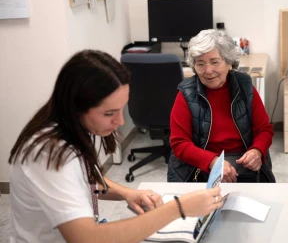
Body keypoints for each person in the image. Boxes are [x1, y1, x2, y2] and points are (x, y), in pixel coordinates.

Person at [8, 50, 223, 243]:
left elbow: (85, 179)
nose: (120, 121)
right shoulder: (49, 154)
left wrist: (126, 193)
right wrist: (178, 208)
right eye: (109, 113)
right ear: (76, 106)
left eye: (121, 109)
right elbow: (87, 238)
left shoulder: (71, 127)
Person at [167, 29, 276, 183]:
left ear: (229, 62)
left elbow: (264, 129)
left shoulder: (245, 86)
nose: (208, 71)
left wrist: (257, 151)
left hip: (244, 167)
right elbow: (179, 144)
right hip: (201, 170)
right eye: (200, 64)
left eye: (214, 62)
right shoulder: (186, 94)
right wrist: (213, 162)